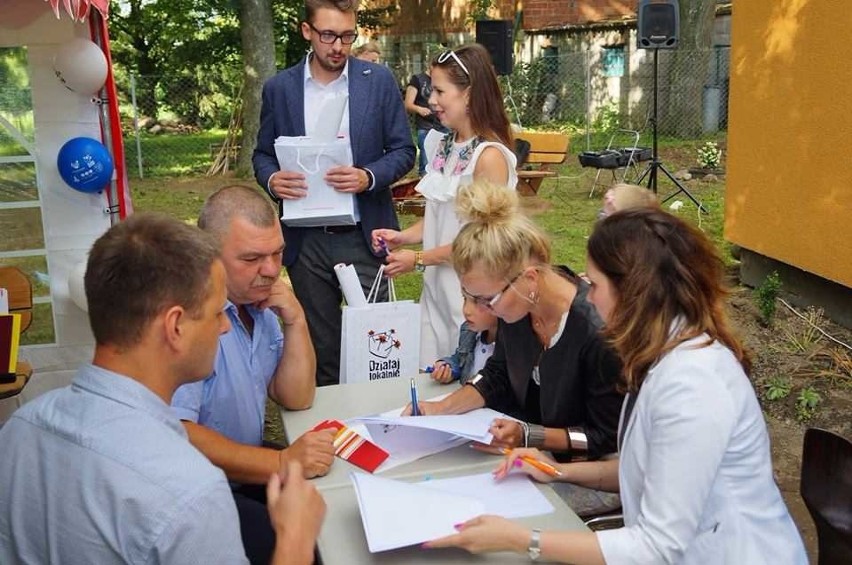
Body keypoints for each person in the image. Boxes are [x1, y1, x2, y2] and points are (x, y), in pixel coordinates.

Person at [426, 208, 808, 564]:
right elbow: (639, 470)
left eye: (595, 284)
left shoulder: (693, 385)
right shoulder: (662, 358)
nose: (587, 295)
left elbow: (656, 546)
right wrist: (557, 472)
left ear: (633, 292)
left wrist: (521, 539)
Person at [0, 213, 325, 564]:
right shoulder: (190, 491)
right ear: (175, 327)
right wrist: (295, 539)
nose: (224, 328)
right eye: (217, 314)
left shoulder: (20, 427)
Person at [252, 0, 415, 387]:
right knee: (320, 347)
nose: (338, 47)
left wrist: (368, 176)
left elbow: (404, 151)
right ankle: (331, 432)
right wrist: (273, 179)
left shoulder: (377, 82)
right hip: (305, 242)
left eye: (346, 35)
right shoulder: (280, 88)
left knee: (378, 348)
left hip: (364, 233)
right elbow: (261, 153)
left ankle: (378, 423)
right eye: (328, 35)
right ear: (306, 31)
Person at [171, 185, 336, 564]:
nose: (271, 269)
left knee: (332, 514)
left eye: (277, 252)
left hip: (245, 474)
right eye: (252, 258)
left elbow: (295, 396)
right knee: (309, 545)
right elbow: (178, 430)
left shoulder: (260, 304)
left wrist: (295, 320)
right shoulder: (194, 318)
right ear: (208, 255)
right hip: (202, 491)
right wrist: (281, 463)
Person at [407, 182, 623, 467]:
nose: (475, 309)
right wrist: (439, 409)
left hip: (589, 470)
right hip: (529, 457)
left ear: (529, 278)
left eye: (485, 299)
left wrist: (530, 436)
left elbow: (605, 438)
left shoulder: (597, 332)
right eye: (467, 297)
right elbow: (498, 373)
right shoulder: (518, 306)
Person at [373, 44, 518, 366]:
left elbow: (479, 241)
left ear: (468, 94)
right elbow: (442, 214)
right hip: (437, 288)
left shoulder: (489, 157)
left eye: (439, 90)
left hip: (470, 296)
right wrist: (404, 237)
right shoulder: (443, 144)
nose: (431, 100)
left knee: (465, 377)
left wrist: (420, 258)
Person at [429, 294, 498, 385]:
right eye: (465, 298)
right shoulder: (470, 331)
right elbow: (461, 358)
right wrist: (448, 367)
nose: (466, 310)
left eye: (478, 301)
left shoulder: (516, 348)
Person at [404, 67, 446, 175]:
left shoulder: (445, 79)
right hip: (425, 126)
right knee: (426, 164)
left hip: (444, 125)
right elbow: (408, 104)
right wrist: (419, 109)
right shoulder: (417, 79)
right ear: (431, 66)